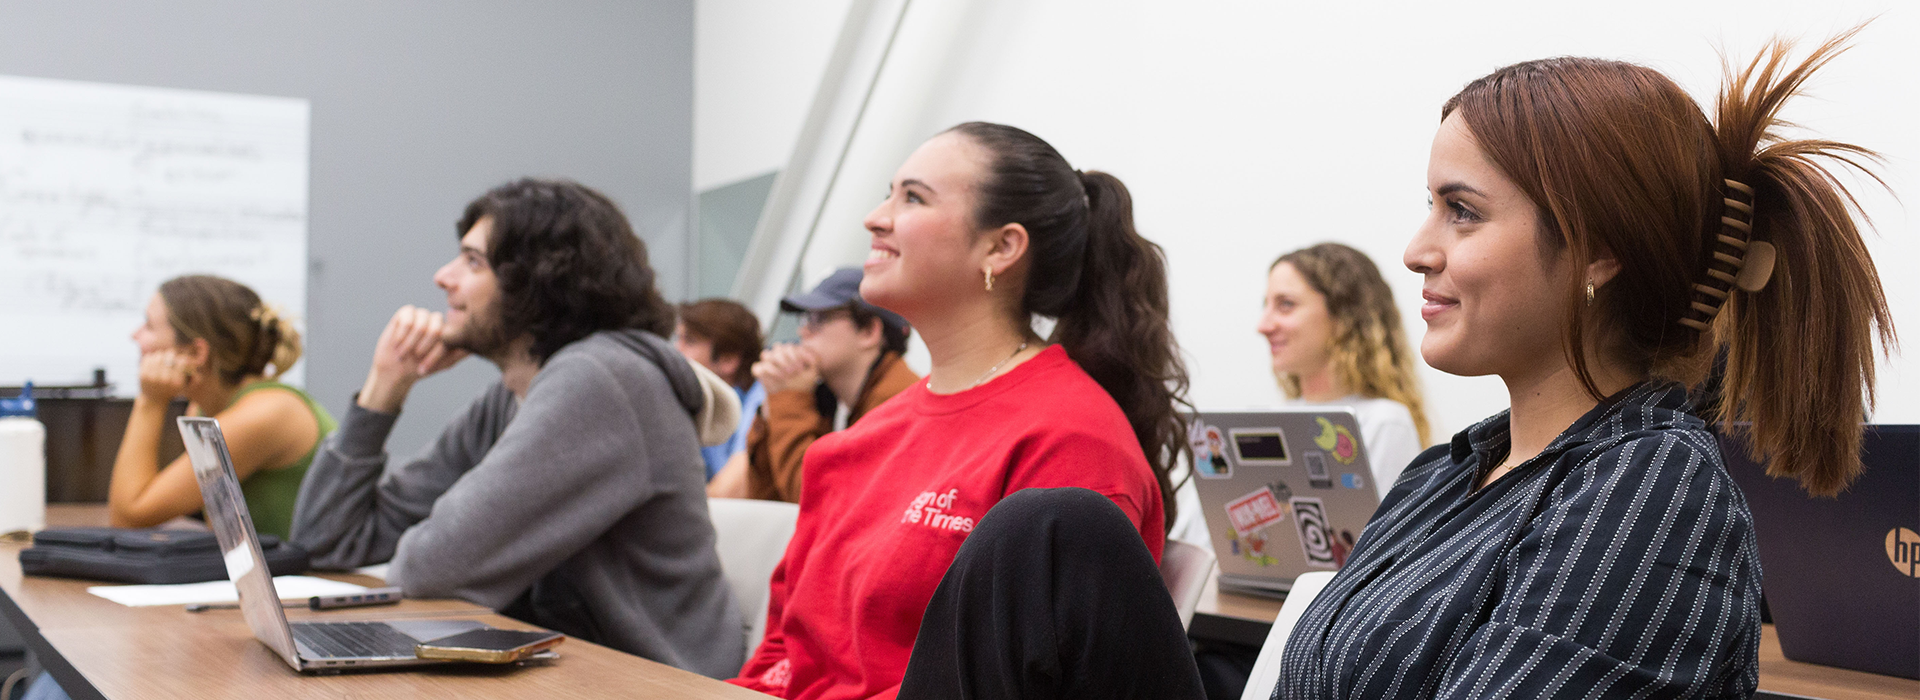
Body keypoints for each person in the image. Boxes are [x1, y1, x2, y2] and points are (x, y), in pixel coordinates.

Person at [897, 32, 1892, 700]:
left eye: (1461, 211)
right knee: (1052, 537)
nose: (1416, 248)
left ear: (1599, 251)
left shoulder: (1652, 486)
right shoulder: (1452, 469)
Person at [728, 122, 1192, 699]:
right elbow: (783, 653)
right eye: (888, 192)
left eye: (913, 197)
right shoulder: (856, 441)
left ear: (1001, 247)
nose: (876, 217)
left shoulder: (1073, 445)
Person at [289, 178, 746, 678]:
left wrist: (433, 541)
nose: (443, 277)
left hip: (659, 683)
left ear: (539, 282)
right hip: (567, 670)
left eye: (473, 262)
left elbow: (431, 570)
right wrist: (384, 390)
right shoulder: (513, 394)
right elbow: (328, 543)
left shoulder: (601, 380)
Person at [107, 275, 331, 540]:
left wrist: (150, 402)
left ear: (195, 353)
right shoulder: (203, 410)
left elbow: (129, 517)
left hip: (333, 578)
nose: (135, 336)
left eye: (149, 326)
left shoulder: (264, 414)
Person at [707, 267, 919, 502]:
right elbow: (767, 497)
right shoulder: (832, 398)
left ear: (869, 332)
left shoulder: (898, 403)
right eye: (806, 318)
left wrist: (788, 398)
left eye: (819, 319)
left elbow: (816, 500)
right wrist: (773, 408)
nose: (803, 330)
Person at [1258, 242, 1430, 497]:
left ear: (1344, 316)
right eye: (1266, 305)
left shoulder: (1384, 424)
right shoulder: (1268, 423)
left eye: (1286, 304)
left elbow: (1384, 535)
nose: (1263, 325)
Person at [675, 297, 768, 481]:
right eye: (678, 338)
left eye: (690, 341)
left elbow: (735, 487)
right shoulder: (696, 399)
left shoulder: (763, 396)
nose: (676, 350)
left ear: (728, 359)